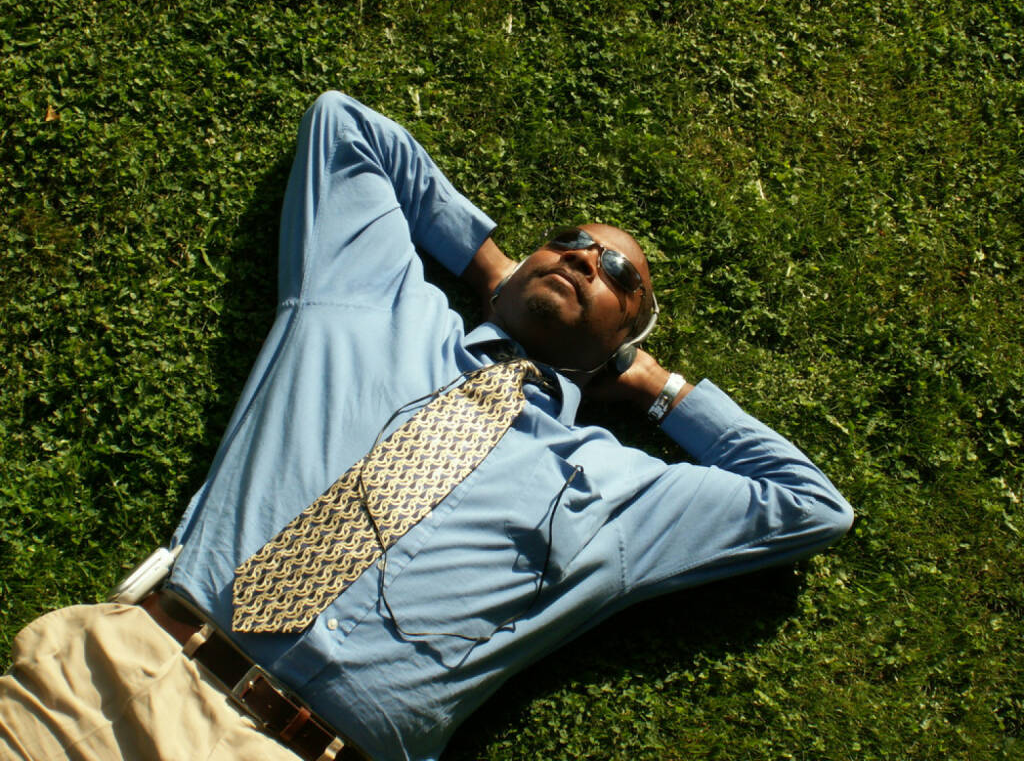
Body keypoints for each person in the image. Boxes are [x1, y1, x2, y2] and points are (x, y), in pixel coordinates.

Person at [0, 92, 853, 761]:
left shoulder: (626, 493)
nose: (588, 258)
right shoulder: (372, 300)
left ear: (622, 341)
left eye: (619, 276)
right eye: (570, 242)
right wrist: (490, 266)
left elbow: (810, 505)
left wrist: (654, 388)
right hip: (119, 681)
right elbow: (345, 128)